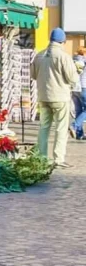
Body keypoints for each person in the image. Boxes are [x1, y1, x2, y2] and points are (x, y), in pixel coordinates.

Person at [31, 28, 78, 167]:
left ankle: (41, 158)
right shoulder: (64, 56)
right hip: (60, 97)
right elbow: (72, 78)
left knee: (44, 127)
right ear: (62, 41)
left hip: (43, 96)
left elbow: (33, 75)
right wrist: (77, 70)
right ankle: (58, 159)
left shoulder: (39, 55)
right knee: (61, 128)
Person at [73, 48, 86, 139]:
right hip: (84, 87)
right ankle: (74, 125)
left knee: (78, 110)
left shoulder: (73, 60)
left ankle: (79, 134)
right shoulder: (84, 61)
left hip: (74, 88)